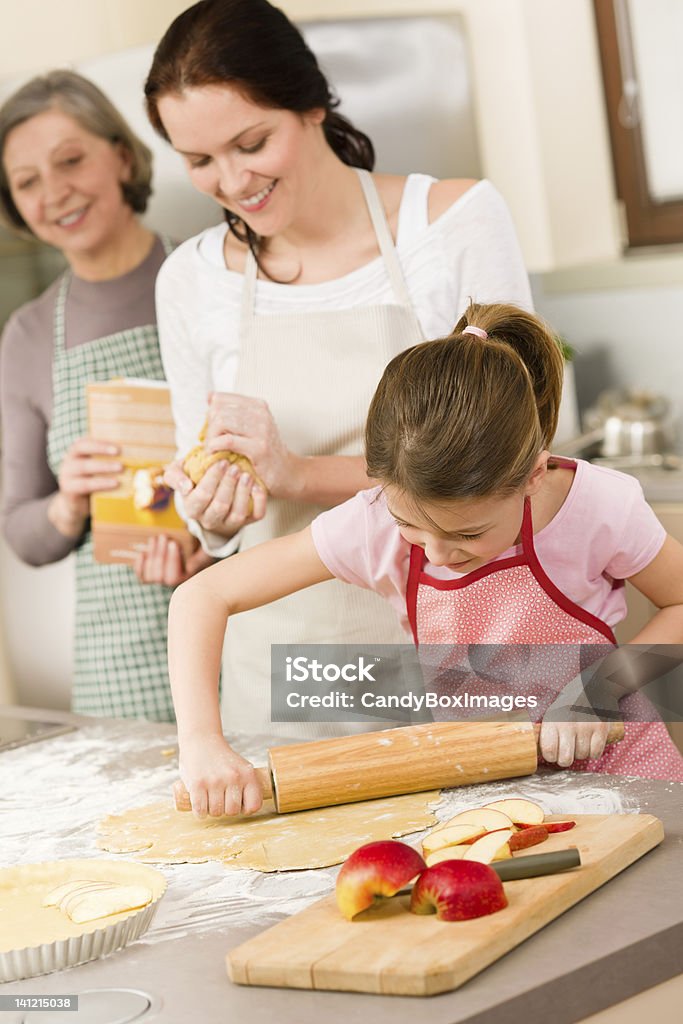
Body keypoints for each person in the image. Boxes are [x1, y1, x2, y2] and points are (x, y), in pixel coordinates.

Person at [142, 0, 569, 739]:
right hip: (283, 672)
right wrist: (213, 512)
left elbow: (524, 465)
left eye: (251, 142)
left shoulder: (450, 223)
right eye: (199, 160)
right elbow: (202, 500)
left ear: (310, 105)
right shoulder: (190, 279)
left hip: (456, 649)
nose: (231, 180)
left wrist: (299, 475)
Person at [167, 302, 683, 818]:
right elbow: (202, 594)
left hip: (628, 780)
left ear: (533, 476)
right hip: (492, 788)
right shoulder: (371, 524)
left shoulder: (596, 506)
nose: (435, 553)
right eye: (409, 526)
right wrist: (200, 741)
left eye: (468, 533)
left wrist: (600, 687)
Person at [0, 70, 213, 721]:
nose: (54, 192)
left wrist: (212, 549)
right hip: (122, 669)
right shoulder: (30, 333)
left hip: (245, 626)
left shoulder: (212, 276)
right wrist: (67, 505)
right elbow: (22, 532)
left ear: (121, 156)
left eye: (70, 161)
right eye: (27, 181)